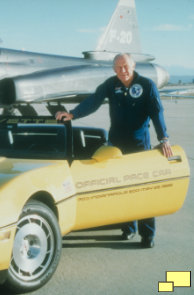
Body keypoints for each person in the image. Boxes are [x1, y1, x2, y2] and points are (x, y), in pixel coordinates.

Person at [56, 53, 173, 248]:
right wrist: (73, 114)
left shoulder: (147, 85)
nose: (123, 71)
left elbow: (156, 113)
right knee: (123, 189)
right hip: (117, 145)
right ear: (113, 69)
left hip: (139, 145)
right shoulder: (111, 85)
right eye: (118, 67)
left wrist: (164, 139)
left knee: (142, 190)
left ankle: (147, 234)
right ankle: (128, 228)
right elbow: (93, 101)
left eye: (126, 66)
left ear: (133, 65)